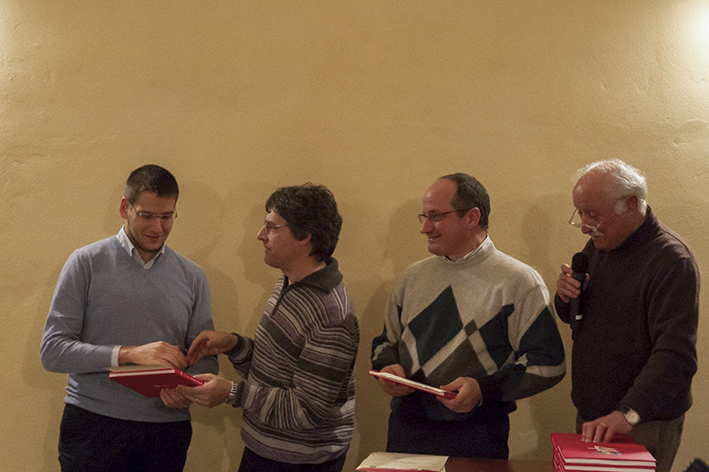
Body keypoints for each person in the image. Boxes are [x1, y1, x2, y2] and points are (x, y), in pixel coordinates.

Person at [371, 173, 566, 459]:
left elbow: (548, 363)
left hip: (477, 437)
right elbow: (385, 343)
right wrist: (387, 368)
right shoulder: (412, 277)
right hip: (405, 431)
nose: (425, 228)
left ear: (472, 217)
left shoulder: (519, 281)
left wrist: (482, 390)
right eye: (424, 216)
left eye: (436, 216)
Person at [40, 164, 218, 472]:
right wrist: (130, 354)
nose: (157, 227)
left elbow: (204, 356)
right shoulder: (85, 263)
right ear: (125, 208)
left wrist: (190, 389)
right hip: (93, 426)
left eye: (167, 216)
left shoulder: (193, 276)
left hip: (166, 431)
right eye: (146, 215)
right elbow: (53, 352)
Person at [173, 183, 359, 472]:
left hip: (300, 462)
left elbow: (306, 410)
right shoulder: (289, 282)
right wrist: (233, 345)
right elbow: (277, 371)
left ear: (304, 236)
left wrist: (232, 393)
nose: (260, 235)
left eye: (272, 227)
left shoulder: (331, 315)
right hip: (266, 450)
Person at [555, 159, 699, 472]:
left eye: (592, 213)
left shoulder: (671, 261)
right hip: (595, 416)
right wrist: (566, 297)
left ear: (630, 204)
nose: (584, 225)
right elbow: (584, 319)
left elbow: (676, 355)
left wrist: (628, 413)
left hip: (639, 420)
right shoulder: (600, 244)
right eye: (580, 213)